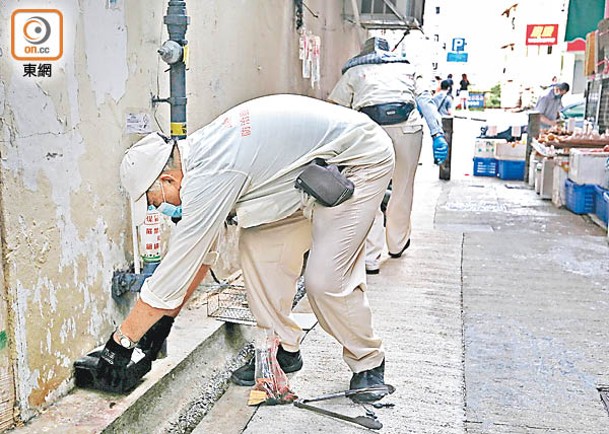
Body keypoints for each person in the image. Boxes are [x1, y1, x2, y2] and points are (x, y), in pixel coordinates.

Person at [97, 94, 395, 403]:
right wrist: (162, 325)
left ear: (168, 178)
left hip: (357, 162)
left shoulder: (210, 176)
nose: (160, 209)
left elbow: (175, 272)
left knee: (326, 281)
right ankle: (283, 350)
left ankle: (369, 361)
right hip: (301, 179)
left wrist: (121, 343)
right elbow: (200, 259)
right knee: (259, 250)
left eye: (156, 200)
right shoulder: (199, 160)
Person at [328, 36, 449, 274]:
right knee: (403, 188)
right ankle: (397, 243)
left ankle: (370, 258)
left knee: (368, 190)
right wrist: (437, 134)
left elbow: (336, 109)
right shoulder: (407, 68)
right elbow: (425, 101)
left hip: (369, 130)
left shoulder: (354, 71)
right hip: (408, 130)